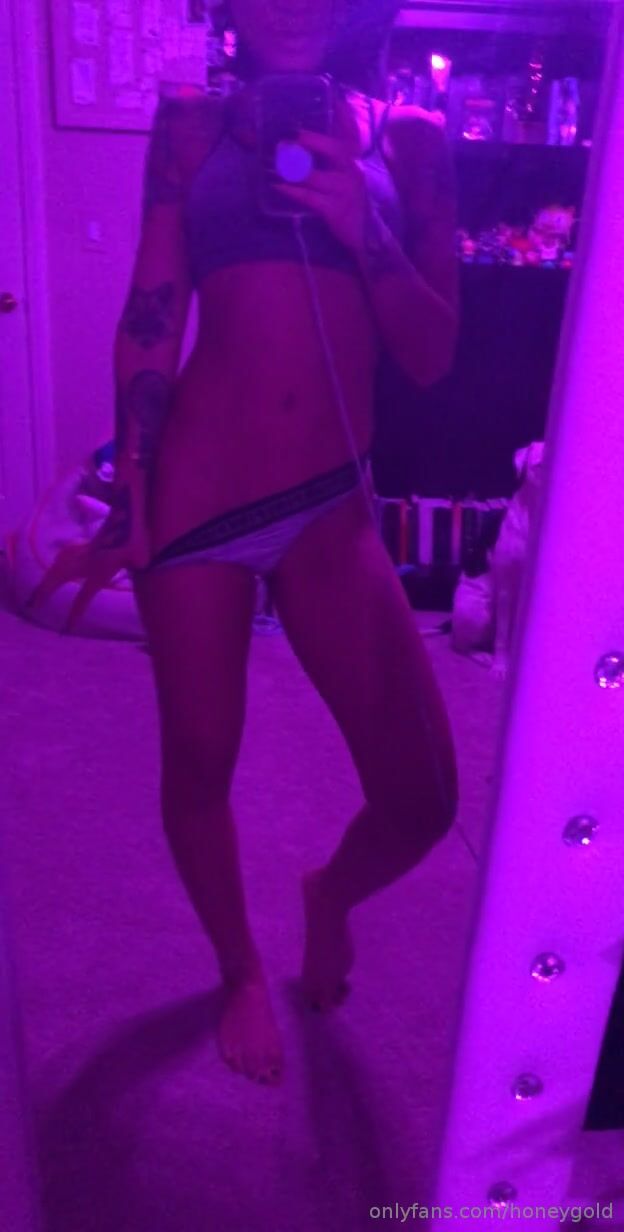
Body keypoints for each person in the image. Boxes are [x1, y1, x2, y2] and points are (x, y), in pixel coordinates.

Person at [31, 0, 460, 1086]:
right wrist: (129, 498)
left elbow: (431, 355)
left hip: (330, 508)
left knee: (425, 797)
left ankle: (329, 895)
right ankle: (239, 970)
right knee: (197, 759)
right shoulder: (188, 126)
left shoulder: (412, 139)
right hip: (198, 497)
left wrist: (363, 226)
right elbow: (151, 312)